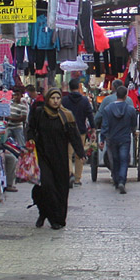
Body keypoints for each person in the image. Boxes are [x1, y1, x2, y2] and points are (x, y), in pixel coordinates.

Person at [26, 88, 84, 229]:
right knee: (46, 186)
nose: (56, 101)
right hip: (42, 156)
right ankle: (46, 213)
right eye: (53, 98)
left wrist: (80, 152)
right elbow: (30, 128)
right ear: (47, 99)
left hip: (60, 158)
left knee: (60, 189)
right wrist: (30, 140)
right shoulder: (39, 113)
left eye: (58, 98)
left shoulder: (66, 116)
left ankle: (57, 218)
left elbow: (74, 135)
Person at [100, 84, 139, 194]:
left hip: (112, 138)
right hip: (125, 138)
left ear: (116, 94)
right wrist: (132, 131)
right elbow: (133, 125)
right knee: (124, 159)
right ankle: (122, 180)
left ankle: (116, 180)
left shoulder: (108, 109)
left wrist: (102, 139)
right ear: (126, 96)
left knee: (115, 160)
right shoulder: (131, 110)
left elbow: (105, 126)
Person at [61, 78, 94, 186]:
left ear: (69, 88)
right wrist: (93, 128)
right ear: (78, 87)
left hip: (67, 131)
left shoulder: (64, 100)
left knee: (68, 154)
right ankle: (77, 179)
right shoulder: (84, 100)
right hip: (81, 130)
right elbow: (90, 114)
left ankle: (70, 174)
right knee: (80, 153)